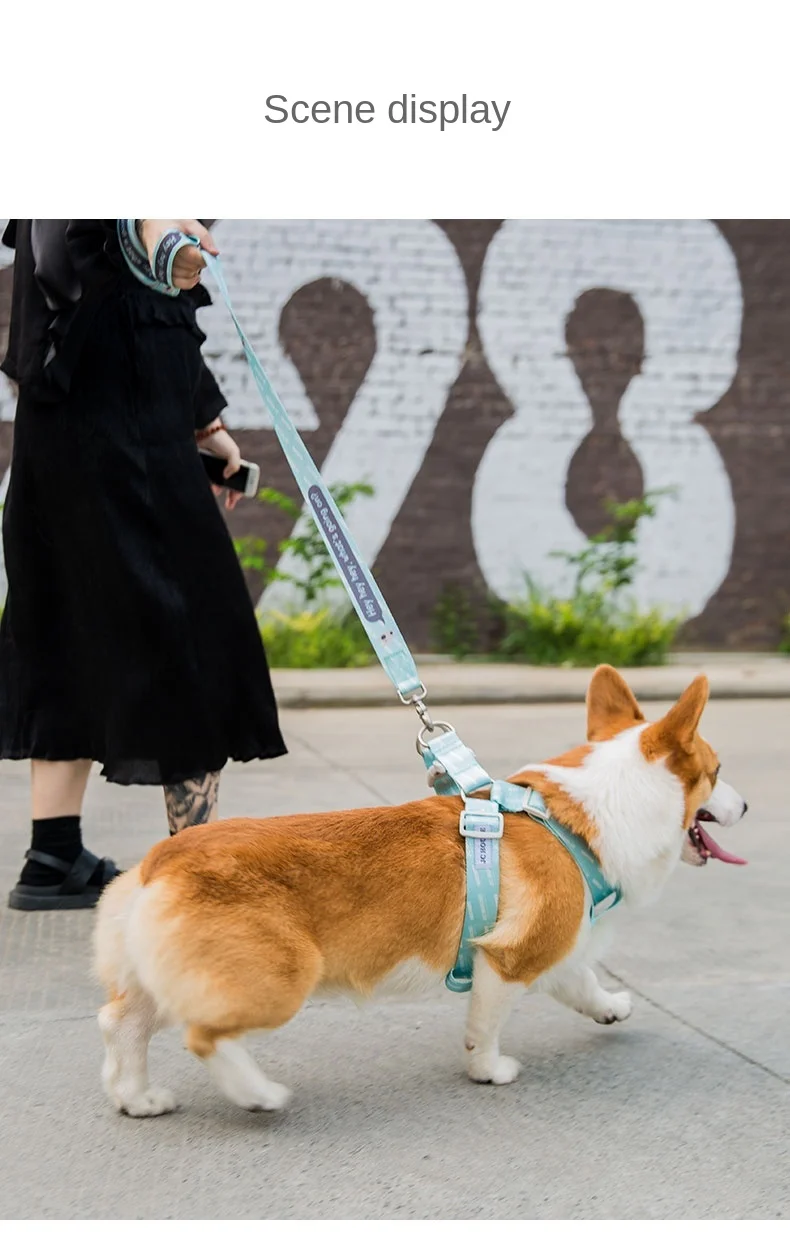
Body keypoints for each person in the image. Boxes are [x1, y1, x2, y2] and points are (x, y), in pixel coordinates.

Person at [0, 219, 287, 910]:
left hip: (55, 447)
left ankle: (53, 856)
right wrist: (171, 245)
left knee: (62, 635)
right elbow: (152, 236)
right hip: (133, 451)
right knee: (195, 636)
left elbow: (123, 300)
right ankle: (196, 877)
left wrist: (206, 425)